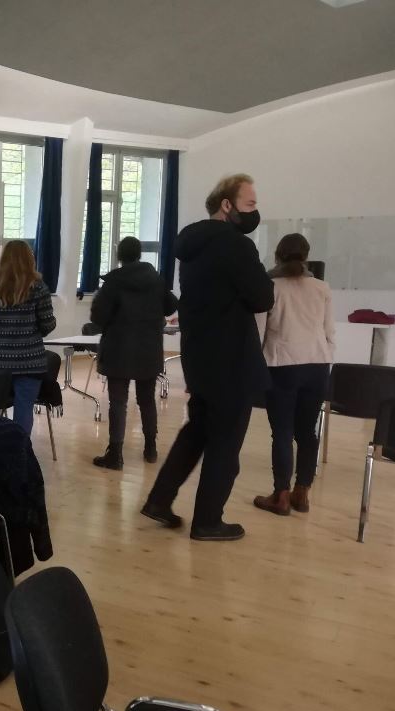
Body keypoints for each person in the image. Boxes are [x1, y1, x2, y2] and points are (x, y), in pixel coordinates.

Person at [140, 173, 274, 542]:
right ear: (227, 205)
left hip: (200, 356)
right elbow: (262, 298)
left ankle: (159, 500)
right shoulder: (236, 246)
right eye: (250, 204)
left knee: (197, 431)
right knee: (225, 444)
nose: (255, 211)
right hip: (232, 360)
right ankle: (208, 521)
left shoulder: (192, 244)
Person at [253, 233, 335, 515]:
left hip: (282, 365)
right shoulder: (322, 287)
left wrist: (256, 365)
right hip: (318, 365)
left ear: (277, 255)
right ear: (307, 256)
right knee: (307, 432)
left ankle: (281, 496)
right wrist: (325, 356)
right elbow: (329, 331)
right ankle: (302, 493)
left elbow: (259, 331)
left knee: (283, 432)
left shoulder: (270, 287)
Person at [90, 236, 178, 469]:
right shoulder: (155, 279)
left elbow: (98, 317)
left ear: (120, 256)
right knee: (147, 400)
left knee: (118, 402)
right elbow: (171, 305)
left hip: (118, 349)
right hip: (148, 349)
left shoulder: (113, 282)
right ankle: (150, 449)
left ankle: (115, 455)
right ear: (139, 254)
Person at [0, 240, 57, 435]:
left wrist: (0, 333)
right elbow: (48, 324)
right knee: (24, 409)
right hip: (30, 362)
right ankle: (21, 448)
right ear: (30, 260)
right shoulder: (39, 289)